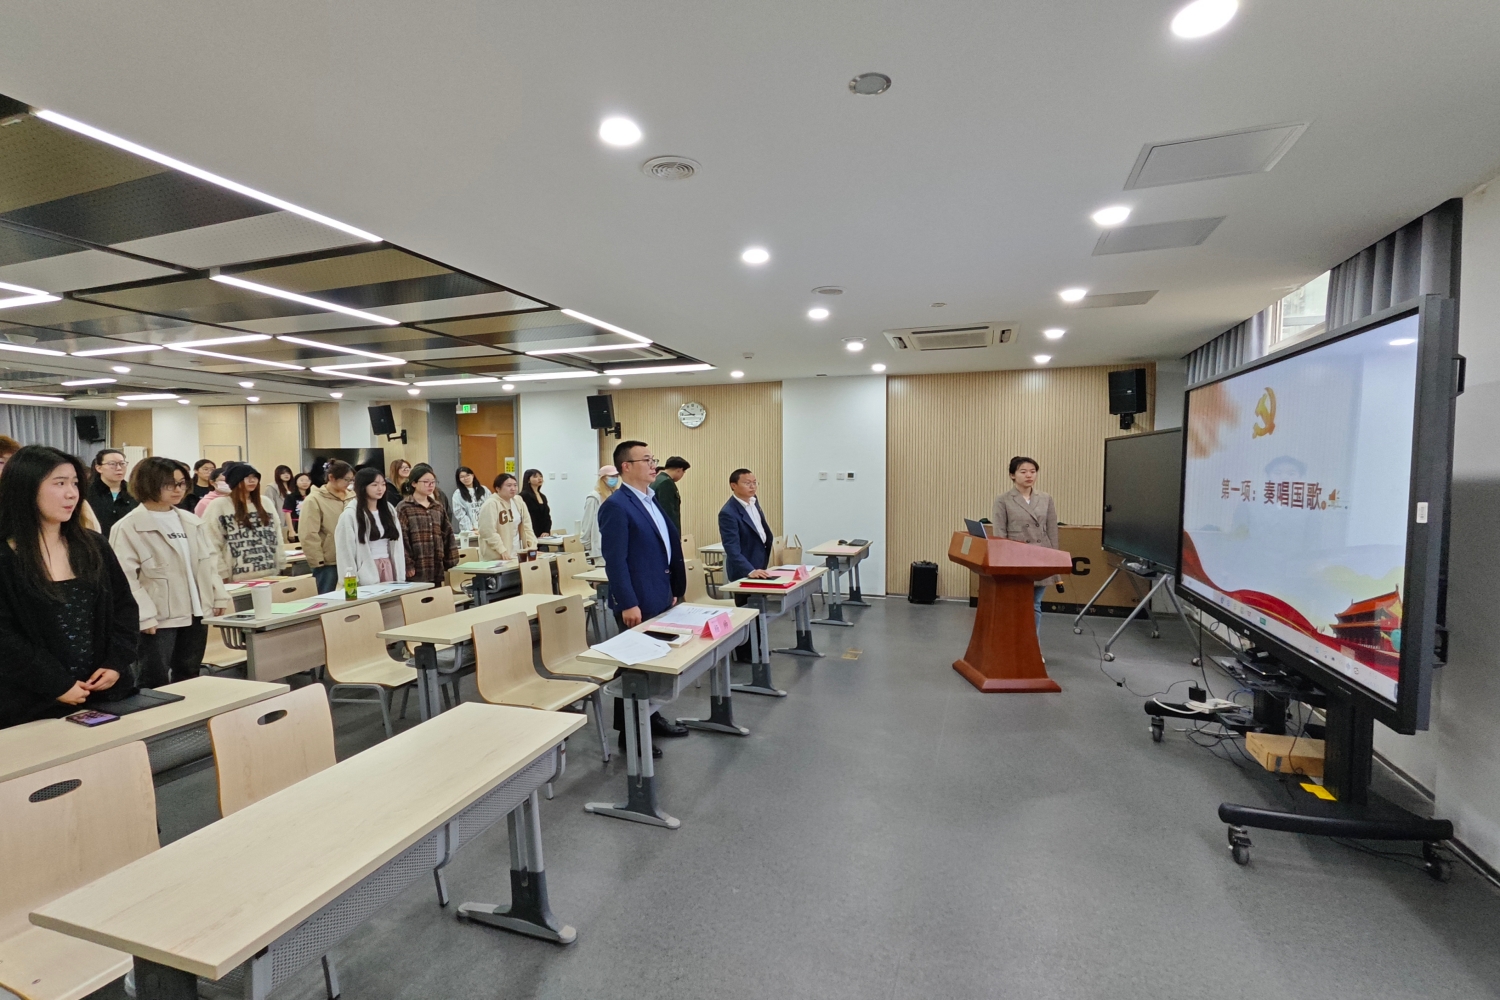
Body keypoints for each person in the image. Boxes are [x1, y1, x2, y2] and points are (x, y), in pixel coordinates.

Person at [0, 445, 139, 729]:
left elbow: (124, 608)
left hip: (104, 694)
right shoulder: (5, 556)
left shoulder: (93, 545)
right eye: (59, 483)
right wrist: (56, 684)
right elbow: (5, 638)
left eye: (75, 483)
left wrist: (115, 663)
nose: (71, 493)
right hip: (31, 702)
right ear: (25, 488)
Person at [110, 457, 233, 687]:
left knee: (189, 674)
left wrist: (217, 594)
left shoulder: (190, 520)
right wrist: (144, 615)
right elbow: (124, 579)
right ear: (148, 483)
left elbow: (208, 562)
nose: (178, 489)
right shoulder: (128, 526)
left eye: (181, 483)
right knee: (153, 679)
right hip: (158, 618)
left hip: (196, 612)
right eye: (169, 484)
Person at [599, 440, 688, 750]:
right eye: (647, 460)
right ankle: (630, 733)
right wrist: (628, 602)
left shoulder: (651, 499)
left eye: (654, 459)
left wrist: (673, 589)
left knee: (654, 663)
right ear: (626, 466)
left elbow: (664, 547)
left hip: (659, 593)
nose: (654, 465)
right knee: (634, 668)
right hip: (636, 600)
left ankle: (651, 717)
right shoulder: (616, 505)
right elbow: (615, 560)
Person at [992, 455, 1060, 637]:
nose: (1029, 475)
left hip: (1041, 556)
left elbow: (1052, 530)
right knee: (1015, 603)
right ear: (1012, 475)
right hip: (1016, 558)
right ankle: (1012, 642)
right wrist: (1003, 563)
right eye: (1023, 472)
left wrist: (1055, 559)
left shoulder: (1045, 498)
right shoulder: (1003, 500)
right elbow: (999, 533)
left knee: (1035, 604)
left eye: (1033, 471)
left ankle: (1032, 645)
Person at [718, 468, 776, 662]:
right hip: (744, 571)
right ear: (733, 486)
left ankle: (757, 649)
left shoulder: (753, 501)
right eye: (747, 483)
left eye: (754, 482)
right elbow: (732, 549)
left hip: (759, 564)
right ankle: (744, 654)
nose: (752, 486)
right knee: (745, 612)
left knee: (757, 611)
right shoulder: (728, 512)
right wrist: (749, 570)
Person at [202, 463, 283, 581]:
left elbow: (277, 534)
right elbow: (211, 541)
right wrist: (221, 572)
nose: (252, 480)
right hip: (237, 577)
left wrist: (281, 562)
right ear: (236, 480)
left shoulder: (265, 502)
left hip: (269, 573)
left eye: (255, 477)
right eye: (247, 477)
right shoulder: (219, 505)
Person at [336, 467, 406, 584]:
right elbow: (345, 552)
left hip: (388, 566)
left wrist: (400, 573)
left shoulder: (389, 510)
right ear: (362, 487)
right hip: (366, 571)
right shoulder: (350, 515)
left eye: (383, 484)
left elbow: (397, 545)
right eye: (374, 485)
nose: (380, 489)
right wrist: (350, 583)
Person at [397, 463, 458, 587]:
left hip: (436, 566)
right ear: (414, 483)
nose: (430, 485)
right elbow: (401, 539)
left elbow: (447, 533)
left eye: (433, 482)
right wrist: (408, 564)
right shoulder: (404, 508)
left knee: (436, 596)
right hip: (416, 568)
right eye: (426, 482)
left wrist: (450, 560)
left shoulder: (437, 507)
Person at [477, 472, 535, 561]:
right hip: (498, 555)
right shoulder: (491, 504)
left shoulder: (518, 501)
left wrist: (532, 546)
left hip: (517, 551)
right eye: (509, 485)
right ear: (498, 488)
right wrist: (501, 550)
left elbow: (527, 525)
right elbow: (487, 531)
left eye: (515, 485)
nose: (513, 488)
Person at [86, 448, 139, 537]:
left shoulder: (135, 491)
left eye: (122, 464)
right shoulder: (87, 492)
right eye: (112, 464)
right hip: (96, 541)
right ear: (99, 468)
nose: (119, 468)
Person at [581, 465, 618, 563]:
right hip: (599, 550)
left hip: (615, 546)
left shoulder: (615, 495)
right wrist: (588, 546)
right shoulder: (593, 498)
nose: (615, 479)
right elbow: (587, 523)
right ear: (603, 478)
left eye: (616, 476)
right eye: (611, 476)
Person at [652, 456, 691, 534]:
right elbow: (668, 512)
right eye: (683, 472)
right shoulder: (666, 483)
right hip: (666, 531)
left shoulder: (657, 479)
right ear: (679, 470)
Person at [450, 466, 487, 535]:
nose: (466, 478)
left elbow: (490, 507)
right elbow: (459, 513)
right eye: (462, 477)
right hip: (470, 530)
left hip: (486, 527)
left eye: (467, 475)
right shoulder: (458, 494)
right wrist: (471, 527)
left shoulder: (484, 490)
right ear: (459, 479)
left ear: (472, 475)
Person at [520, 468, 553, 537]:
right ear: (528, 480)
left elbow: (547, 516)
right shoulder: (523, 496)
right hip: (530, 532)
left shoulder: (543, 496)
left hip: (543, 533)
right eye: (535, 477)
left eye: (541, 476)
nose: (539, 478)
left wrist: (546, 531)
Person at [282, 472, 313, 540]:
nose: (305, 482)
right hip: (296, 524)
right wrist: (291, 530)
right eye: (302, 480)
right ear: (296, 482)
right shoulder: (290, 497)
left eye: (307, 480)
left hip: (310, 524)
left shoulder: (312, 496)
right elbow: (287, 513)